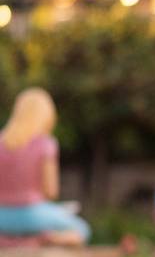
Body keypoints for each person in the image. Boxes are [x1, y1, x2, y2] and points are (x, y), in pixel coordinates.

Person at [0, 88, 90, 245]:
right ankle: (47, 238)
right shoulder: (45, 144)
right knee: (82, 229)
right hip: (32, 213)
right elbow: (51, 191)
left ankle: (15, 240)